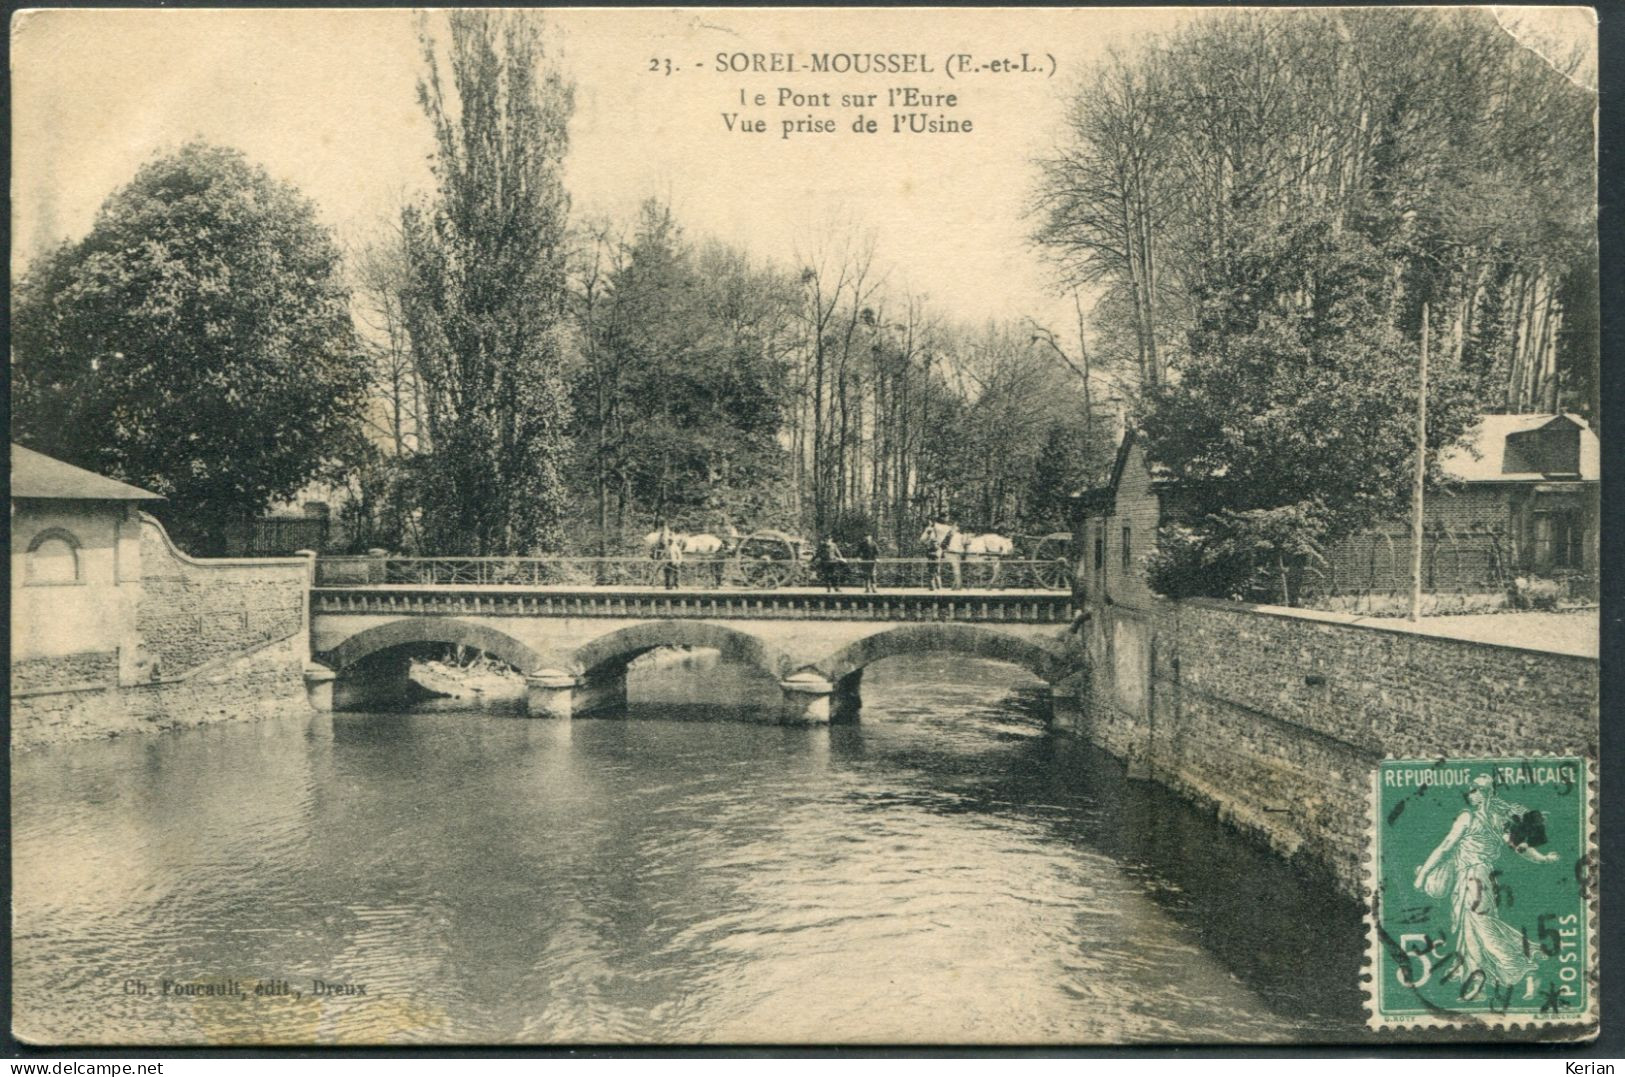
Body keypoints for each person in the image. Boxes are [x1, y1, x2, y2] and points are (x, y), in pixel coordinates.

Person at [1413, 774, 1560, 990]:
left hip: (1473, 878)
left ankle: (1519, 964)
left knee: (1480, 925)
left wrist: (1422, 875)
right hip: (1481, 879)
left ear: (1484, 794)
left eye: (1474, 790)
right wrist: (1543, 858)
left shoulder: (1468, 817)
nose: (1470, 794)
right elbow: (1520, 848)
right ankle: (1476, 972)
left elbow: (1445, 847)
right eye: (1470, 790)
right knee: (1471, 925)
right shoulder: (1499, 821)